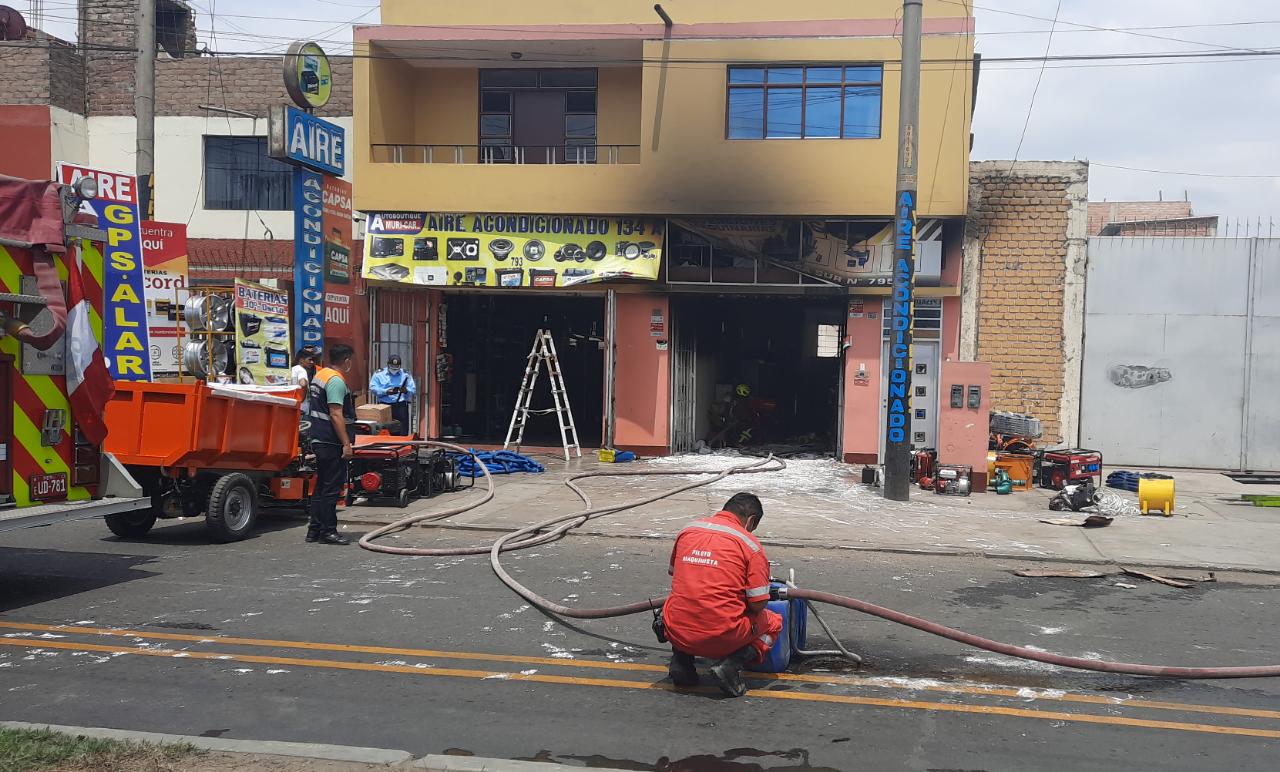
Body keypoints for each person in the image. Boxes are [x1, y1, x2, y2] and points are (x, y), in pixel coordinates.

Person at [661, 492, 782, 697]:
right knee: (773, 622)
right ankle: (730, 666)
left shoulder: (688, 531)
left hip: (675, 630)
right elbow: (758, 604)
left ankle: (681, 662)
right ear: (751, 520)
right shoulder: (750, 545)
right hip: (720, 635)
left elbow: (676, 573)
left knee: (683, 602)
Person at [304, 343, 357, 545]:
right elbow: (336, 414)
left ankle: (314, 530)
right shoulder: (335, 381)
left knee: (321, 487)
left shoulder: (321, 375)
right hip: (330, 440)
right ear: (346, 361)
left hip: (319, 437)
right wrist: (346, 443)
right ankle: (328, 531)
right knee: (331, 489)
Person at [369, 355, 416, 435]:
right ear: (388, 364)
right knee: (384, 429)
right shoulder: (379, 374)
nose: (394, 369)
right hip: (384, 406)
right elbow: (373, 387)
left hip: (400, 406)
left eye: (396, 367)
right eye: (392, 367)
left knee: (402, 430)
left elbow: (413, 389)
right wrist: (386, 391)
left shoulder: (405, 374)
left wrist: (405, 390)